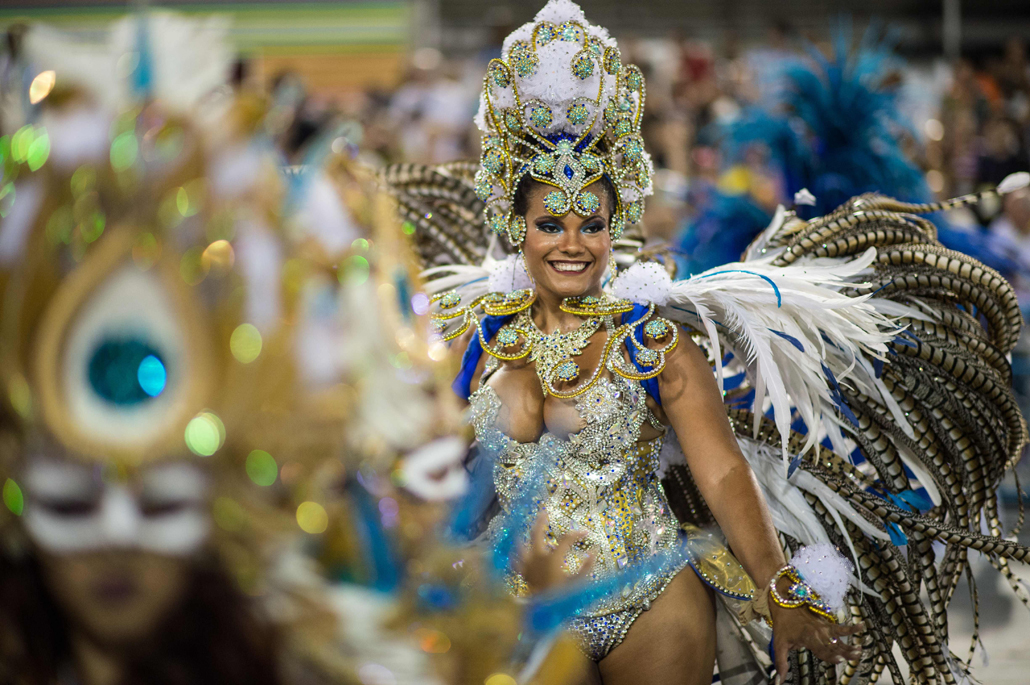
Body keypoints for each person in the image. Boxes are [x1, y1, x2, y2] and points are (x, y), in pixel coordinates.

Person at [382, 2, 1030, 684]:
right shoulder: (478, 339)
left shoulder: (653, 343)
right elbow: (434, 459)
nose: (572, 243)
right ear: (518, 228)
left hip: (651, 599)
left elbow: (721, 469)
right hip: (521, 603)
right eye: (551, 223)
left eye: (591, 224)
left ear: (614, 225)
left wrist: (781, 587)